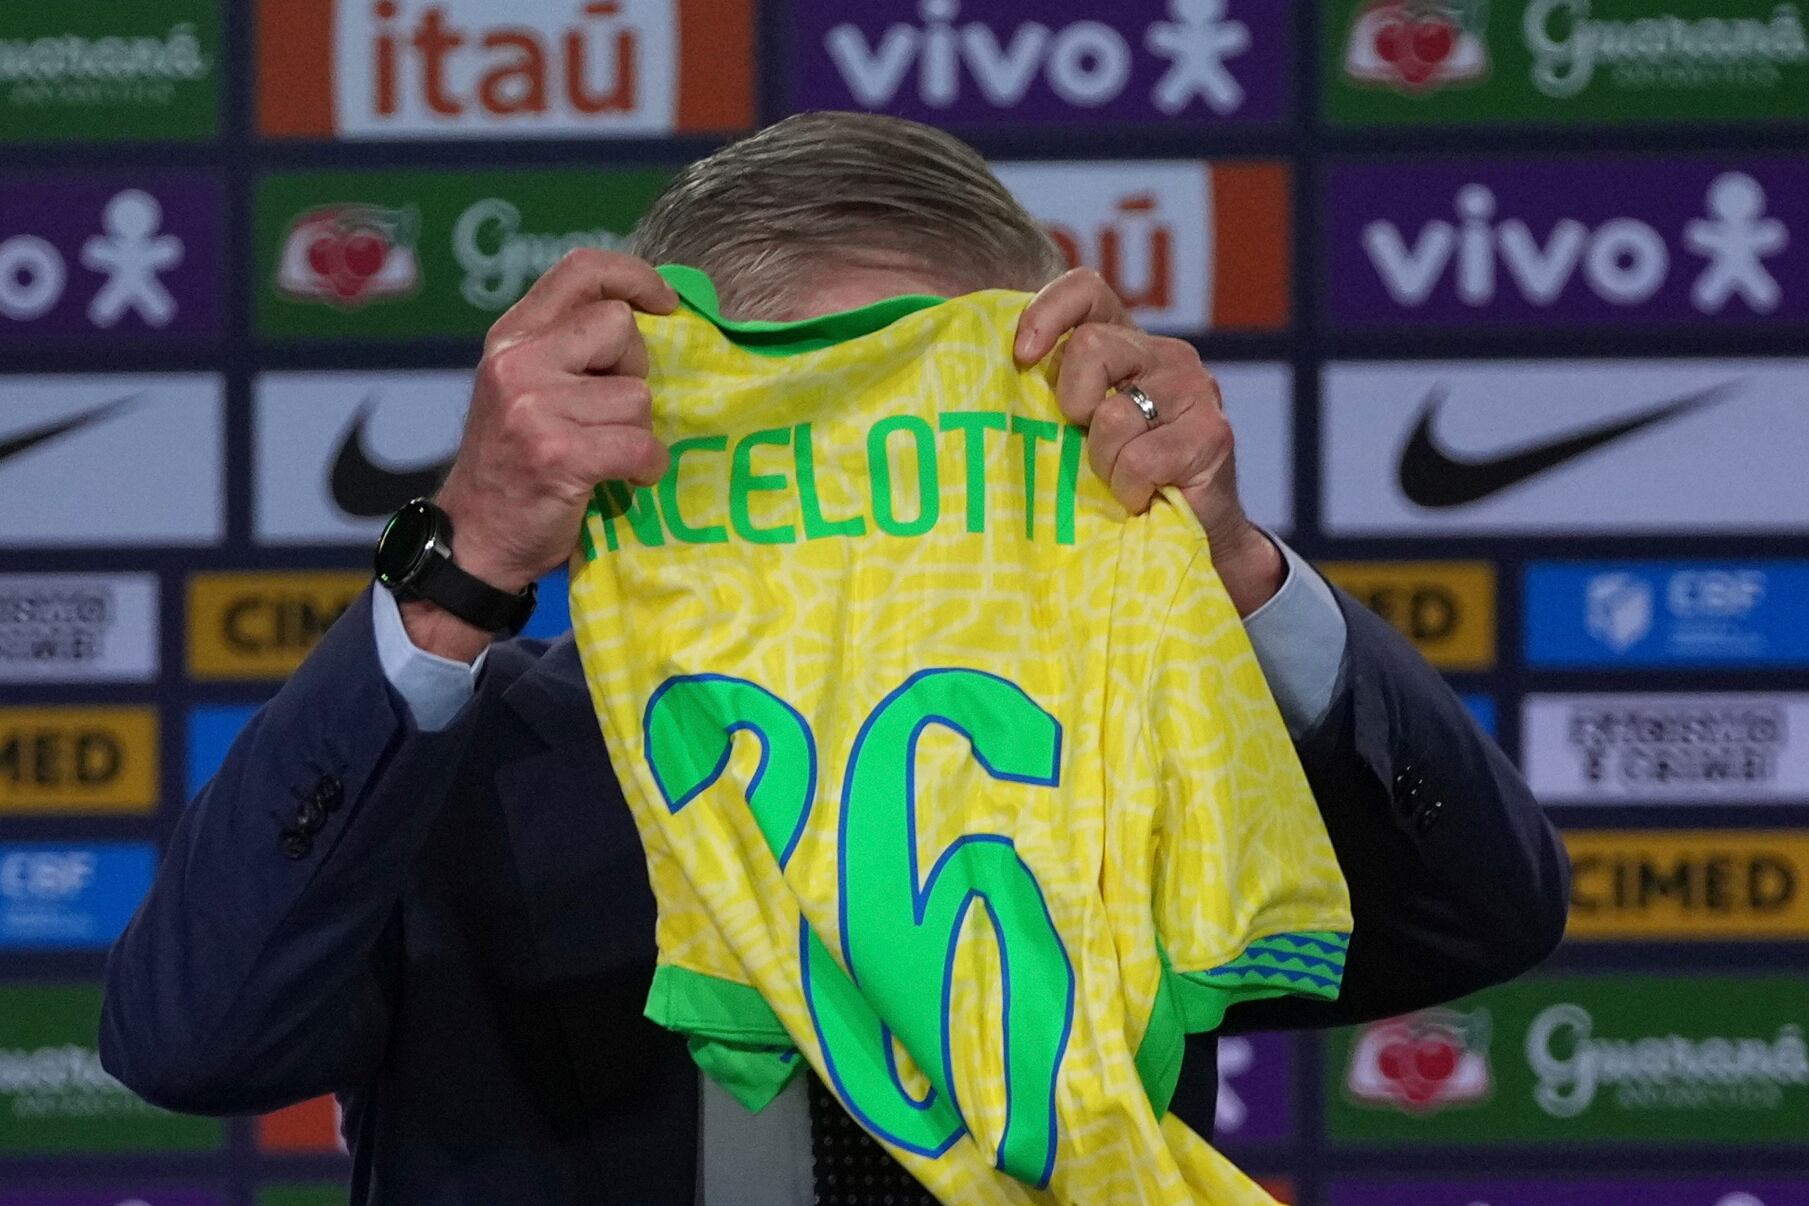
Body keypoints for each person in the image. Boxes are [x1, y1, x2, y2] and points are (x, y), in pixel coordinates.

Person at [101, 113, 1569, 1206]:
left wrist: (1231, 567)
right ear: (662, 436)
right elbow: (191, 1036)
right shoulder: (471, 757)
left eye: (946, 436)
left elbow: (1477, 915)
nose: (882, 516)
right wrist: (461, 563)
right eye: (818, 442)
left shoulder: (1124, 719)